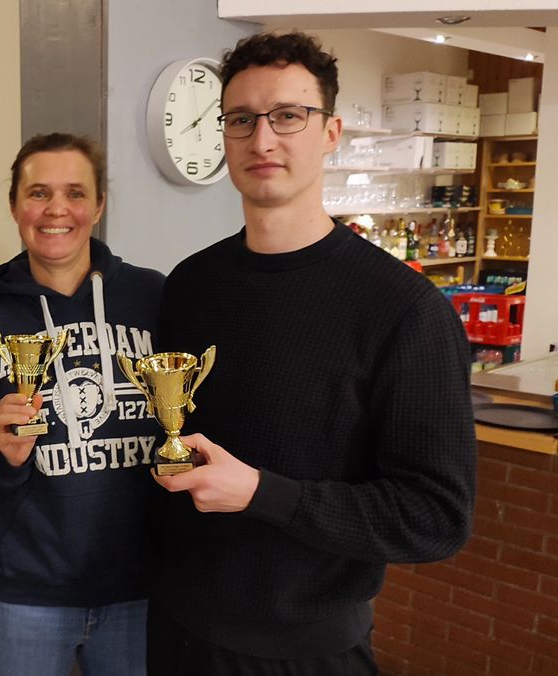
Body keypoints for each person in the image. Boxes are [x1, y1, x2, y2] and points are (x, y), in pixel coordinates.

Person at [146, 31, 477, 675]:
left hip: (306, 651)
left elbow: (435, 517)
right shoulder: (190, 285)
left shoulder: (404, 310)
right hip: (176, 629)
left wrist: (261, 493)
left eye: (288, 116)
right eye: (241, 120)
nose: (262, 139)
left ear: (330, 133)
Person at [0, 133, 165, 675]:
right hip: (25, 593)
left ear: (99, 204)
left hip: (140, 587)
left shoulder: (152, 297)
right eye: (39, 193)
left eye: (75, 192)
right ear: (15, 206)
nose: (56, 209)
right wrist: (3, 457)